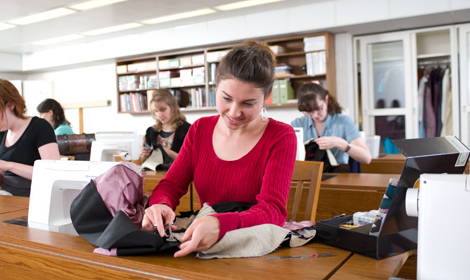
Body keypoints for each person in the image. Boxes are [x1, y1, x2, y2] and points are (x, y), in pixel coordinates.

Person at [141, 41, 297, 258]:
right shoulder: (200, 129)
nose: (234, 112)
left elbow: (273, 211)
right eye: (226, 98)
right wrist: (160, 204)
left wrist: (220, 223)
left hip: (253, 253)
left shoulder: (280, 136)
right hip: (205, 242)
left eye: (248, 103)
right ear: (216, 86)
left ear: (266, 98)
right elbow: (171, 186)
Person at [291, 82, 372, 170]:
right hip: (307, 176)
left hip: (338, 176)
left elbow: (366, 158)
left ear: (326, 100)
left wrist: (339, 143)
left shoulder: (343, 122)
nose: (315, 115)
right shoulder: (297, 125)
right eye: (309, 112)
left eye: (318, 109)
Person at [139, 89, 191, 166]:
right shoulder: (151, 131)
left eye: (163, 110)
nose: (159, 115)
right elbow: (144, 162)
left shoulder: (188, 130)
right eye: (156, 111)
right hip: (155, 175)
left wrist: (166, 151)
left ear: (173, 107)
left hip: (178, 175)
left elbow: (189, 162)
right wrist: (144, 155)